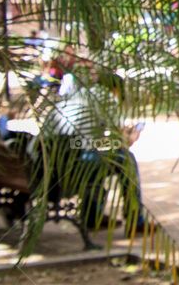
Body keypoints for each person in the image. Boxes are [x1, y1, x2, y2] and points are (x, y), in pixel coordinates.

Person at [41, 74, 146, 232]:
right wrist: (130, 138)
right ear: (116, 89)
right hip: (72, 164)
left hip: (49, 166)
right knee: (127, 159)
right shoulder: (105, 96)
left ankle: (92, 216)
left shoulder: (79, 95)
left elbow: (87, 143)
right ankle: (135, 219)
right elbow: (117, 140)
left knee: (100, 160)